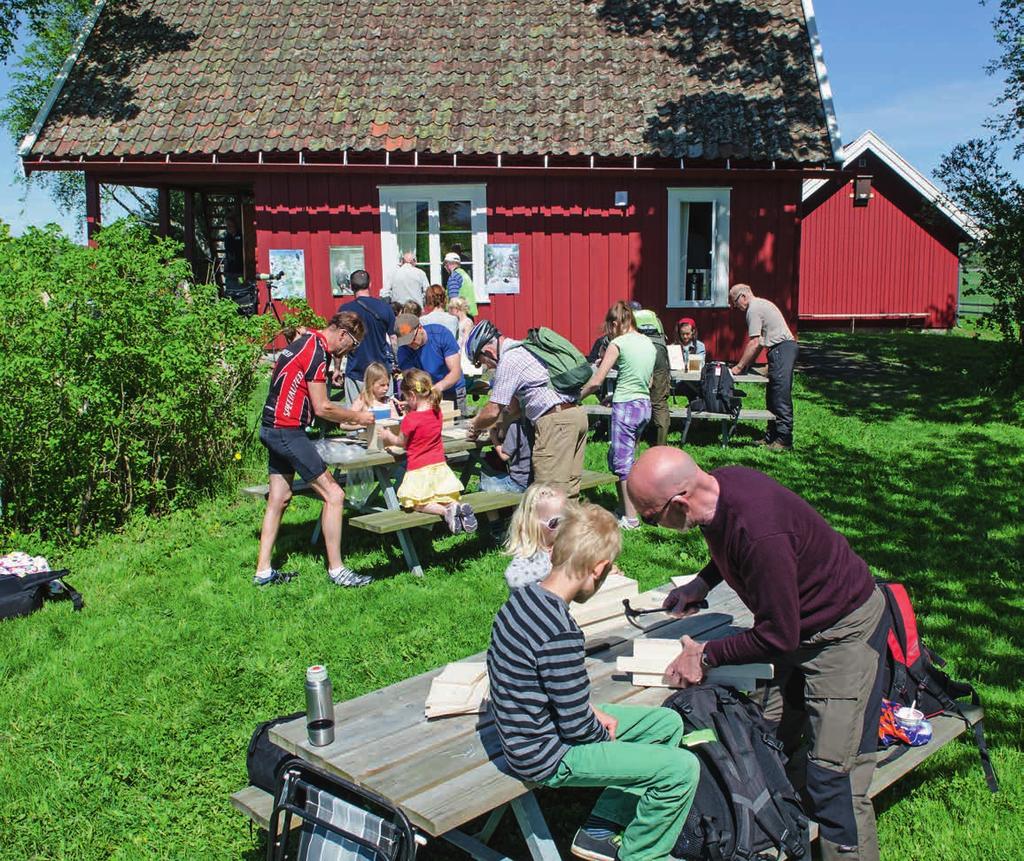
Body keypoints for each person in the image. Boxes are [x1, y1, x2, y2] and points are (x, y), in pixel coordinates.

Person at [627, 447, 889, 861]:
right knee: (762, 738)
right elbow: (729, 543)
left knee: (835, 776)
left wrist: (706, 655)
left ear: (680, 501)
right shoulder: (720, 490)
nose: (650, 525)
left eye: (650, 516)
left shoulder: (760, 531)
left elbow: (778, 636)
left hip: (843, 633)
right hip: (799, 630)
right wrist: (703, 583)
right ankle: (778, 832)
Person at [487, 502, 700, 861]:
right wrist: (602, 732)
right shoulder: (560, 631)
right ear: (598, 570)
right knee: (681, 770)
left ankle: (603, 825)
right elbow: (576, 728)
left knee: (666, 723)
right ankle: (643, 854)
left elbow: (546, 689)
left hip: (531, 728)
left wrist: (589, 713)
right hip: (546, 755)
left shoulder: (521, 600)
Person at [255, 312, 375, 588]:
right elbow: (323, 407)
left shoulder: (308, 342)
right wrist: (359, 418)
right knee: (334, 494)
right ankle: (337, 570)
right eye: (352, 346)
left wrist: (334, 366)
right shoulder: (315, 352)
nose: (349, 352)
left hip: (271, 426)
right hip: (287, 430)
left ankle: (263, 571)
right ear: (343, 335)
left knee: (280, 497)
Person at [465, 320, 589, 499]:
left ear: (488, 351)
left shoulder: (509, 359)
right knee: (569, 492)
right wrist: (496, 426)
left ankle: (550, 527)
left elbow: (493, 409)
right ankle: (570, 527)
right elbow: (514, 410)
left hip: (555, 423)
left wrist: (475, 425)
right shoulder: (526, 350)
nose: (488, 367)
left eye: (484, 362)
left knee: (547, 495)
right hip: (575, 415)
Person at [580, 302, 655, 529]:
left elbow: (596, 381)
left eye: (609, 329)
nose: (608, 334)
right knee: (631, 460)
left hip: (626, 408)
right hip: (644, 405)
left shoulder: (618, 343)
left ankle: (631, 519)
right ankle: (625, 508)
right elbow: (647, 381)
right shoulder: (648, 342)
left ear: (615, 324)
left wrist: (574, 397)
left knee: (622, 464)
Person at [379, 369, 476, 534]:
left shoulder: (411, 419)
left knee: (415, 502)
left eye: (405, 397)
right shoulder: (437, 412)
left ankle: (446, 513)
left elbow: (402, 443)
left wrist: (388, 436)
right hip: (439, 466)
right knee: (443, 497)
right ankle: (455, 506)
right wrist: (411, 407)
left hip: (419, 469)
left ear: (412, 395)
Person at [728, 284, 798, 451]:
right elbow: (759, 343)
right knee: (772, 394)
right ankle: (771, 437)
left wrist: (738, 367)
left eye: (736, 303)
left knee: (780, 396)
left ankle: (784, 440)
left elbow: (755, 342)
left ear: (743, 297)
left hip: (782, 349)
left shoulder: (754, 309)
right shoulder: (761, 304)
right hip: (779, 350)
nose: (737, 308)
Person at [335, 270, 396, 405]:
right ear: (370, 284)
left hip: (356, 369)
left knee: (355, 417)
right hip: (381, 370)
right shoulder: (385, 308)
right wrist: (397, 363)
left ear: (351, 286)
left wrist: (337, 368)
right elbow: (393, 339)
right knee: (385, 416)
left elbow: (339, 343)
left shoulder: (345, 310)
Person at [394, 313, 468, 416]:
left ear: (420, 328)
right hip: (425, 395)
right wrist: (412, 399)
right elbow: (411, 379)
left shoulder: (441, 334)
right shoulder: (403, 350)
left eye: (412, 339)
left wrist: (435, 389)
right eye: (406, 342)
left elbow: (455, 373)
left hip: (452, 390)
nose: (410, 344)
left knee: (457, 427)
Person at [501, 482, 565, 588]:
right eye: (555, 522)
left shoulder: (562, 543)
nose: (564, 526)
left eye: (568, 518)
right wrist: (551, 569)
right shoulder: (529, 552)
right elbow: (513, 578)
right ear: (533, 525)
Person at [480, 415, 533, 495]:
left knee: (483, 484)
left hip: (519, 483)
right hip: (534, 481)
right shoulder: (533, 422)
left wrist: (494, 438)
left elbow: (504, 456)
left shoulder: (515, 426)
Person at [448, 296, 477, 377]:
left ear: (457, 309)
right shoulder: (455, 321)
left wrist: (461, 352)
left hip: (463, 350)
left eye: (451, 308)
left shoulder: (467, 322)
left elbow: (466, 340)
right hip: (457, 348)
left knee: (464, 372)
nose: (449, 311)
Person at [443, 252, 477, 316]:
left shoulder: (454, 277)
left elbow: (453, 300)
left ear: (449, 264)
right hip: (468, 313)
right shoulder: (463, 274)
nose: (445, 267)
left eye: (445, 264)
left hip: (460, 314)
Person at [221, 215, 244, 293]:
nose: (229, 228)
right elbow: (228, 252)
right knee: (230, 288)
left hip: (240, 269)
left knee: (241, 284)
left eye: (230, 225)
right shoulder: (227, 237)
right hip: (230, 269)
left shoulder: (241, 235)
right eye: (227, 226)